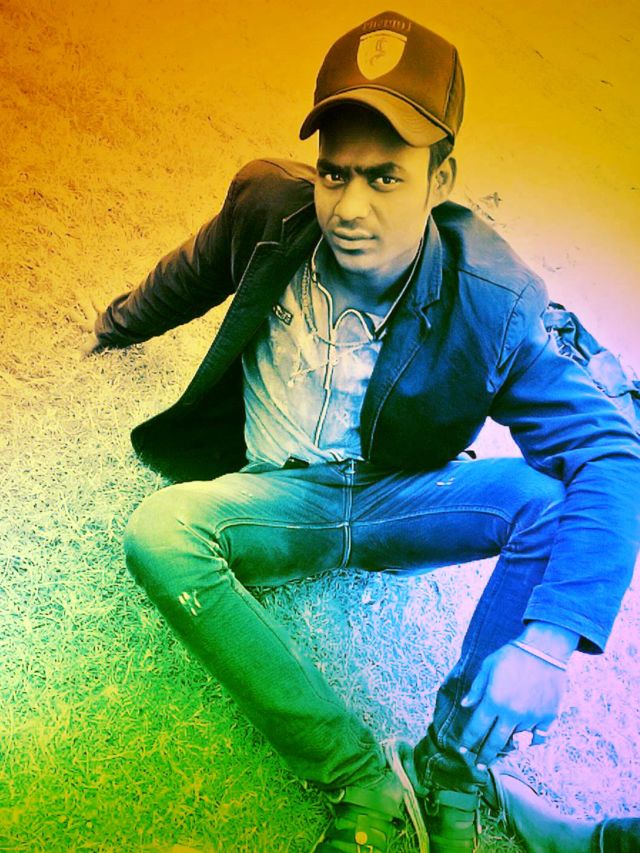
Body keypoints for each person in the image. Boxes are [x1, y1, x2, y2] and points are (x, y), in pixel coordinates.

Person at [73, 11, 640, 853]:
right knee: (159, 531)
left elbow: (611, 450)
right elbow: (192, 271)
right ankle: (358, 776)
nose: (349, 206)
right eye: (335, 174)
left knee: (546, 502)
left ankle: (448, 769)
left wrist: (550, 642)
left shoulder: (496, 299)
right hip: (278, 494)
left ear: (441, 178)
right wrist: (117, 323)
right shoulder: (269, 207)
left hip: (396, 495)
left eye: (385, 178)